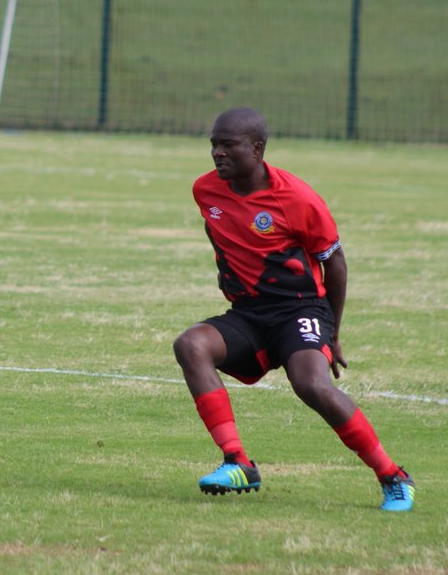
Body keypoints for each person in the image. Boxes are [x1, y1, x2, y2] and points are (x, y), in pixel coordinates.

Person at [172, 107, 415, 512]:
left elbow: (334, 265)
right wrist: (225, 268)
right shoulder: (205, 190)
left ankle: (393, 476)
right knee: (191, 345)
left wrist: (333, 332)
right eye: (213, 144)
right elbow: (216, 225)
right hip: (250, 314)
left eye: (228, 145)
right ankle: (238, 463)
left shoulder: (297, 198)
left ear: (257, 148)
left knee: (313, 385)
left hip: (301, 310)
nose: (217, 153)